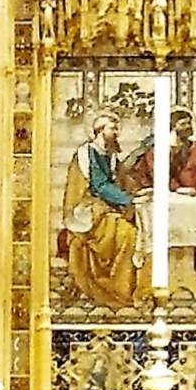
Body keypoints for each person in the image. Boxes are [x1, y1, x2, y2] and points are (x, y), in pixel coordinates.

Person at [61, 115, 147, 308]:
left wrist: (137, 191)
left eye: (117, 129)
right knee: (130, 235)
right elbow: (99, 186)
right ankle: (118, 289)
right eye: (112, 129)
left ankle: (124, 286)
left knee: (138, 230)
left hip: (106, 206)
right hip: (87, 208)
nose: (116, 133)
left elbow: (120, 179)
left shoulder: (109, 154)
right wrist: (128, 199)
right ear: (100, 131)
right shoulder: (87, 152)